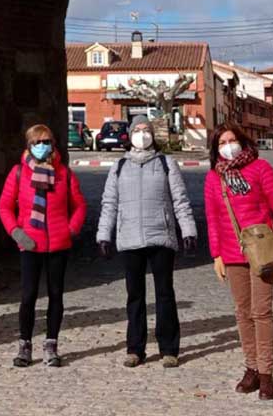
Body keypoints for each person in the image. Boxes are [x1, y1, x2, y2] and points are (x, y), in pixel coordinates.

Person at [96, 115, 198, 368]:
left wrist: (188, 230)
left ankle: (169, 349)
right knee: (135, 296)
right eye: (138, 130)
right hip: (130, 238)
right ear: (130, 135)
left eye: (146, 130)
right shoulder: (118, 167)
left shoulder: (166, 164)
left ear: (153, 134)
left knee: (164, 294)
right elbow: (110, 203)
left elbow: (180, 200)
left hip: (160, 236)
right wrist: (103, 235)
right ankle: (135, 349)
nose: (142, 134)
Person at [204, 123, 273, 400]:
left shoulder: (261, 168)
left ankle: (266, 374)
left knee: (261, 311)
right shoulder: (212, 178)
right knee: (242, 312)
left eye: (232, 140)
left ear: (242, 141)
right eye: (222, 142)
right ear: (216, 148)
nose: (228, 146)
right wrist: (216, 254)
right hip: (232, 253)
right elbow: (213, 219)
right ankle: (251, 368)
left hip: (262, 249)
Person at [0, 124, 86, 368]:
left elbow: (79, 205)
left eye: (46, 141)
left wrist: (71, 229)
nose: (42, 146)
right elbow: (4, 205)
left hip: (58, 243)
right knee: (28, 296)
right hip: (30, 242)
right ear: (29, 146)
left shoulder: (64, 174)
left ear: (53, 144)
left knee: (56, 295)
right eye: (37, 142)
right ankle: (25, 344)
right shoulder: (18, 173)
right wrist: (16, 232)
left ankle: (51, 343)